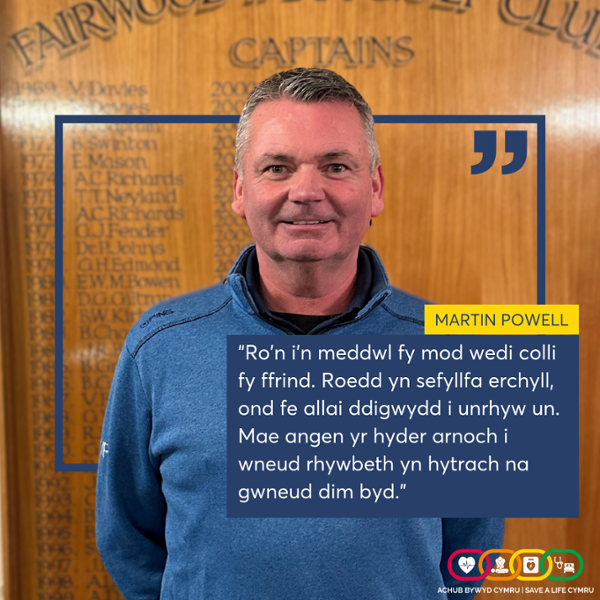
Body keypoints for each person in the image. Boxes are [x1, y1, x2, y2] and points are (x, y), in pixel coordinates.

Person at [96, 68, 504, 599]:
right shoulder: (159, 347)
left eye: (336, 166)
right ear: (240, 190)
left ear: (374, 188)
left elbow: (470, 551)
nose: (307, 191)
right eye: (277, 168)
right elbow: (129, 539)